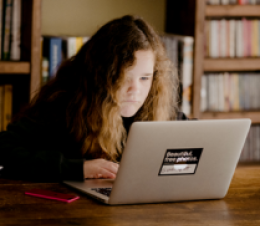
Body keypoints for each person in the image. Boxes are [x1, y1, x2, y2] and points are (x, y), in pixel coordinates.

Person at [0, 15, 186, 183]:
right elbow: (5, 149)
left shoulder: (156, 105)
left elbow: (199, 140)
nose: (135, 90)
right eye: (125, 77)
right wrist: (78, 169)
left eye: (145, 78)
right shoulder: (65, 104)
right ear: (101, 75)